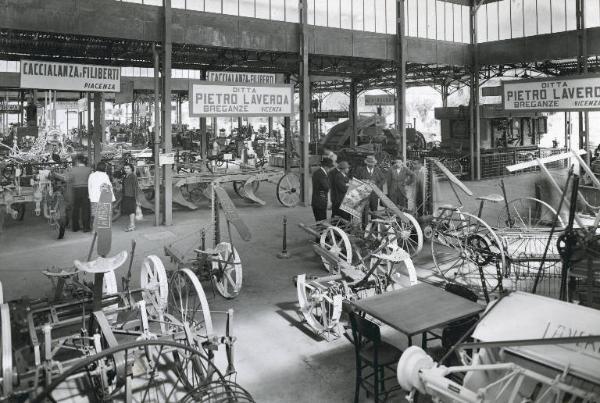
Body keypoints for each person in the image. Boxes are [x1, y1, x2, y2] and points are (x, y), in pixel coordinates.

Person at [66, 155, 92, 232]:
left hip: (76, 190)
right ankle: (86, 228)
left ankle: (75, 227)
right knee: (86, 209)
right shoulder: (89, 169)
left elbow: (68, 179)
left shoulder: (72, 170)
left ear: (77, 161)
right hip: (86, 190)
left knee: (75, 209)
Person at [88, 161, 116, 226]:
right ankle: (101, 229)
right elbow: (108, 187)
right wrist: (112, 198)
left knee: (95, 214)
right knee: (102, 214)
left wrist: (90, 196)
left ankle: (94, 230)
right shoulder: (105, 175)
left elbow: (89, 186)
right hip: (102, 197)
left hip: (94, 198)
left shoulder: (91, 175)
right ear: (104, 168)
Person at [311, 158, 334, 222]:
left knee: (320, 221)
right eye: (330, 168)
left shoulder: (319, 172)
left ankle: (320, 231)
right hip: (319, 202)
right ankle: (321, 232)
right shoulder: (321, 174)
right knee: (322, 221)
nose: (330, 170)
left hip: (318, 201)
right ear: (326, 167)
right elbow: (326, 187)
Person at [121, 164, 140, 232]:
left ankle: (132, 225)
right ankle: (131, 224)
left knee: (131, 210)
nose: (126, 170)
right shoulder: (126, 176)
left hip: (131, 196)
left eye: (128, 168)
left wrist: (136, 198)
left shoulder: (133, 176)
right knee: (129, 210)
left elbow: (136, 188)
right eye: (125, 168)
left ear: (131, 169)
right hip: (126, 195)